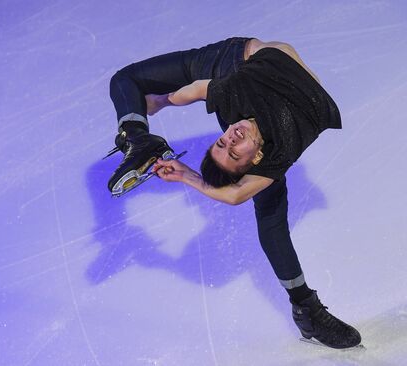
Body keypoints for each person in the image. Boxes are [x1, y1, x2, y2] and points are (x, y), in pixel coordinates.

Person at [107, 37, 361, 349]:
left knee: (125, 80)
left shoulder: (239, 106)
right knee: (124, 80)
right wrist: (189, 173)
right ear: (257, 159)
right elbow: (237, 193)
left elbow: (203, 89)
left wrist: (166, 103)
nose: (231, 135)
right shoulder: (279, 143)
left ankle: (306, 311)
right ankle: (138, 140)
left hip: (232, 61)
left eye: (223, 143)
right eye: (230, 146)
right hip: (258, 66)